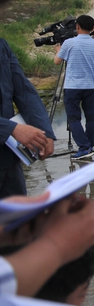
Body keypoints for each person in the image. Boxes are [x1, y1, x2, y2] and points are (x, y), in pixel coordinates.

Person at [0, 38, 56, 199]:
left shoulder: (2, 46)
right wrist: (11, 128)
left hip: (7, 159)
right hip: (8, 135)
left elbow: (23, 91)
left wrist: (45, 132)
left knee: (19, 219)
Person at [54, 14, 94, 160]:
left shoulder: (69, 43)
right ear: (92, 29)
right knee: (91, 117)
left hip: (72, 86)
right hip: (90, 86)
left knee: (74, 118)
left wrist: (58, 50)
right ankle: (90, 145)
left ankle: (84, 147)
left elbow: (57, 62)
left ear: (77, 27)